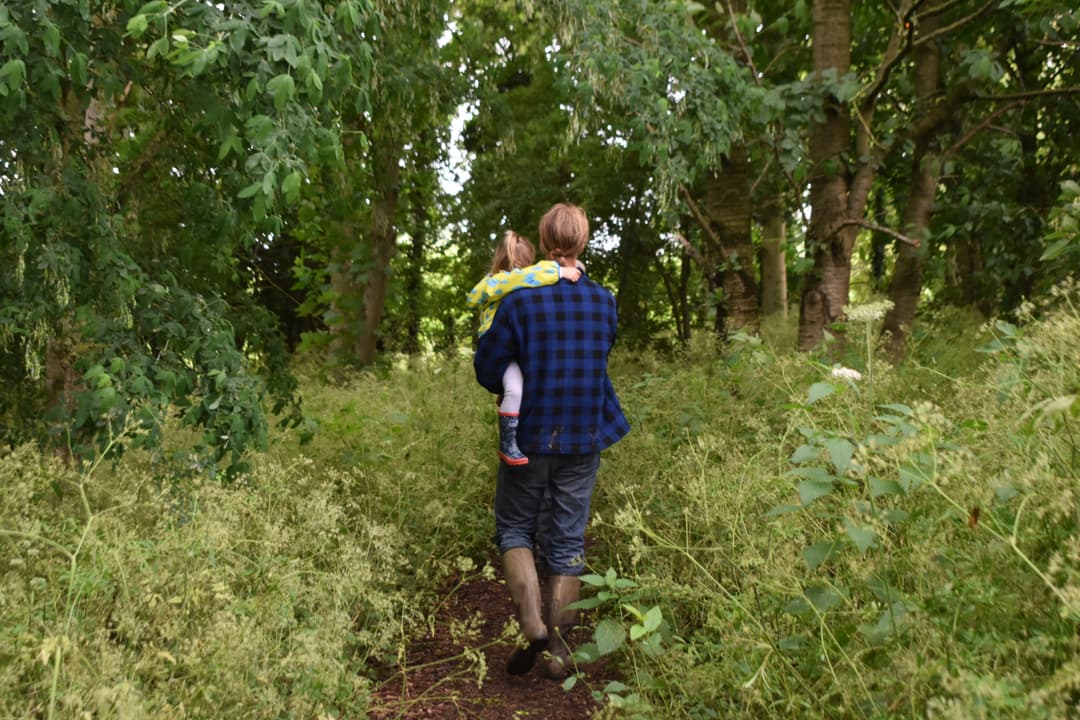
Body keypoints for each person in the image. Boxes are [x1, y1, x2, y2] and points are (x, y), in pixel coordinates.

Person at [473, 203, 630, 680]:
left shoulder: (520, 302)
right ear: (582, 242)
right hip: (584, 435)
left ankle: (533, 624)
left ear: (544, 242)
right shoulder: (604, 300)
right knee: (567, 540)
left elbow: (486, 369)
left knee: (515, 529)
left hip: (530, 435)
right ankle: (561, 651)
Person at [467, 230, 580, 466]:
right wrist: (558, 271)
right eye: (523, 266)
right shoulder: (496, 281)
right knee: (516, 390)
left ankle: (510, 406)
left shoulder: (523, 281)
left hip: (515, 344)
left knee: (521, 385)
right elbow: (477, 295)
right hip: (496, 345)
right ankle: (508, 444)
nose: (525, 272)